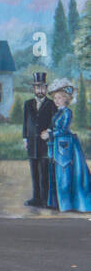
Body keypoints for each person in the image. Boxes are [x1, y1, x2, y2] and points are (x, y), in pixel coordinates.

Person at [40, 81, 91, 212]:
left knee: (64, 174)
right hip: (58, 144)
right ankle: (59, 204)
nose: (56, 101)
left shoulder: (67, 112)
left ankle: (66, 205)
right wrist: (48, 132)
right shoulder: (58, 112)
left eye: (59, 98)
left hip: (65, 146)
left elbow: (63, 130)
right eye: (55, 98)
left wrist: (49, 134)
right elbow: (55, 128)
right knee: (58, 174)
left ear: (66, 99)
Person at [22, 72, 57, 207]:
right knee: (34, 173)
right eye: (37, 88)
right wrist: (25, 138)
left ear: (46, 89)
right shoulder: (27, 104)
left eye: (42, 88)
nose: (40, 90)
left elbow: (54, 122)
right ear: (34, 89)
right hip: (31, 143)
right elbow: (25, 123)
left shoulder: (51, 104)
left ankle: (45, 200)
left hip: (44, 144)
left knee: (44, 173)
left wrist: (49, 131)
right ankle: (36, 198)